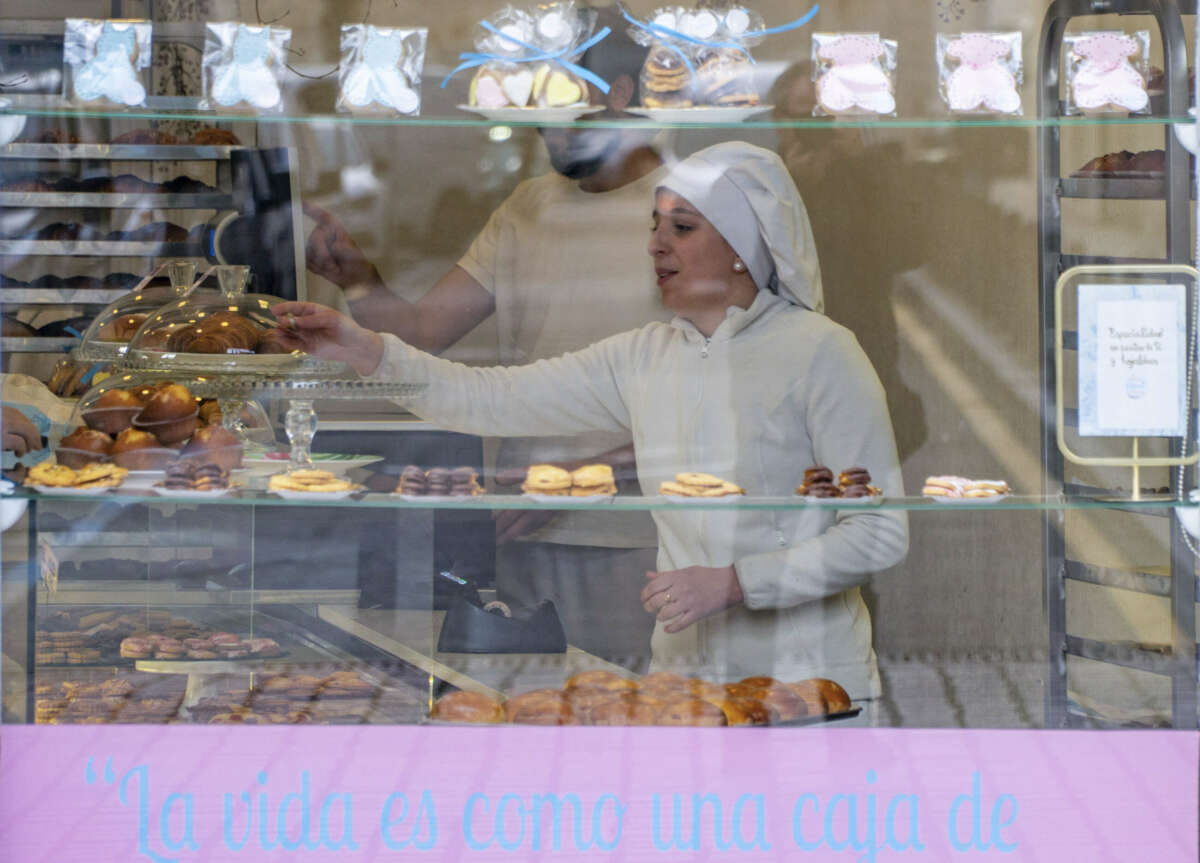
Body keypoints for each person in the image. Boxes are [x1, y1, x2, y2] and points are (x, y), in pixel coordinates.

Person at [273, 142, 909, 705]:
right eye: (656, 226)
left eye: (682, 228)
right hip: (682, 687)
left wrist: (738, 583)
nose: (657, 245)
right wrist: (365, 351)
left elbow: (879, 533)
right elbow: (488, 397)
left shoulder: (822, 353)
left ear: (744, 250)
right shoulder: (644, 355)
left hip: (809, 686)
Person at [303, 7, 668, 670]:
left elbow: (722, 391)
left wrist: (575, 480)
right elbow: (423, 332)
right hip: (523, 527)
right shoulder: (528, 206)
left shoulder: (685, 212)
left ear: (620, 91)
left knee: (627, 728)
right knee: (530, 725)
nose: (543, 116)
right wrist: (357, 278)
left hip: (641, 536)